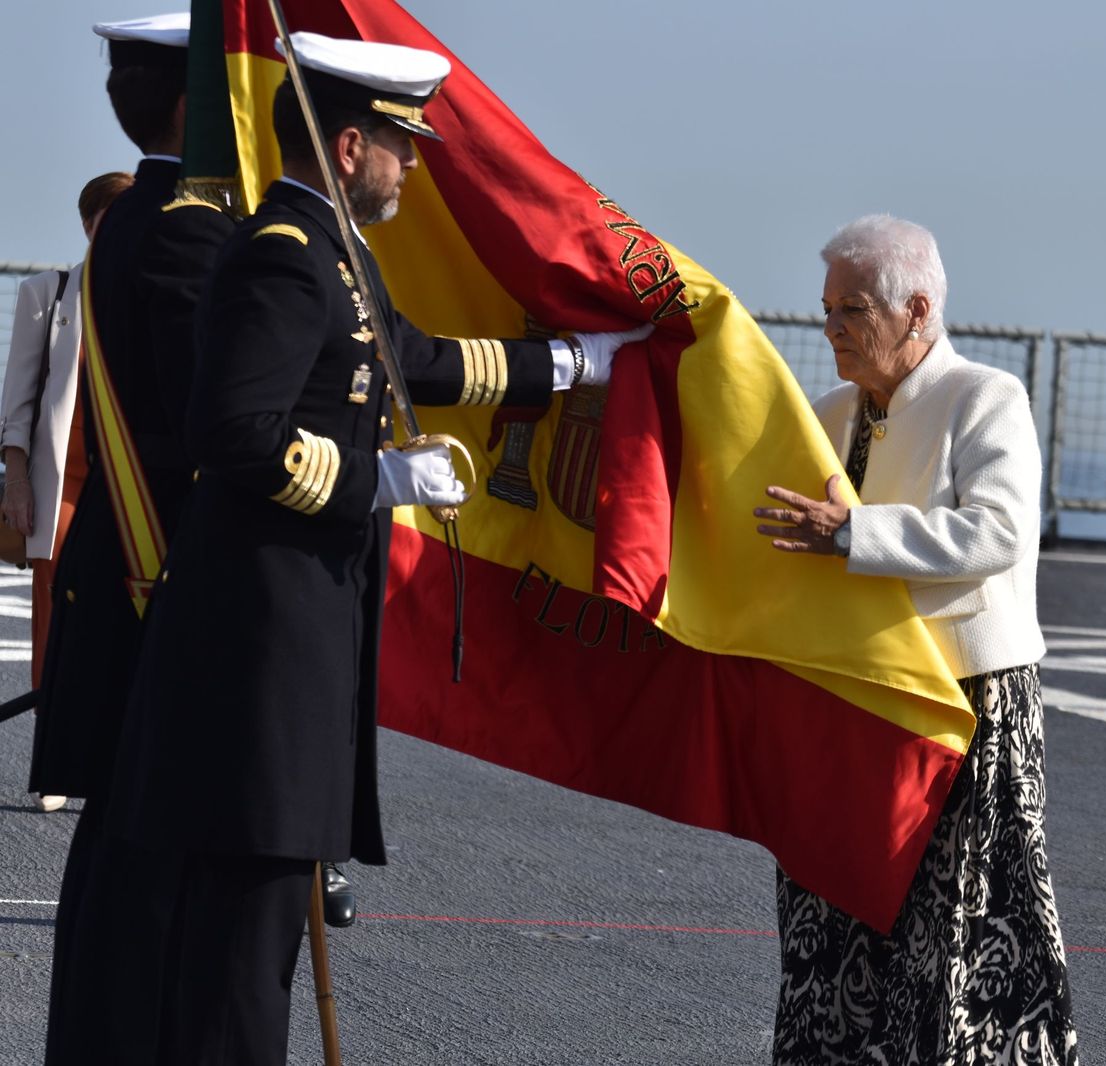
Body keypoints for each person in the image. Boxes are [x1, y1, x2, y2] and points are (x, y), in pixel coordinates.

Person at [102, 33, 649, 1065]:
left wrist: (568, 365)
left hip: (297, 628)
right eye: (406, 144)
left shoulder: (332, 253)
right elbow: (235, 434)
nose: (417, 163)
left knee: (262, 923)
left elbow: (415, 360)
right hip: (258, 641)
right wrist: (377, 481)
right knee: (242, 934)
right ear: (349, 145)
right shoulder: (284, 258)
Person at [754, 214, 1078, 1065]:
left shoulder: (986, 396)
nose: (830, 329)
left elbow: (997, 532)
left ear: (918, 310)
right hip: (856, 694)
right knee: (834, 916)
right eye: (825, 309)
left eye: (851, 310)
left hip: (967, 698)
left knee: (963, 926)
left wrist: (854, 536)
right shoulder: (826, 408)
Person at [32, 16, 237, 1066]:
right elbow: (219, 431)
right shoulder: (196, 229)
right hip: (172, 595)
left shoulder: (136, 215)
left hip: (127, 588)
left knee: (119, 890)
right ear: (198, 110)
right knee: (165, 915)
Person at [0, 171, 132, 813]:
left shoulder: (153, 295)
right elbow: (18, 402)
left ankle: (119, 755)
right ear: (88, 224)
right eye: (114, 216)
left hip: (131, 486)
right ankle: (57, 760)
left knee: (129, 613)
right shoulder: (45, 294)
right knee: (55, 614)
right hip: (65, 481)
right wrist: (16, 478)